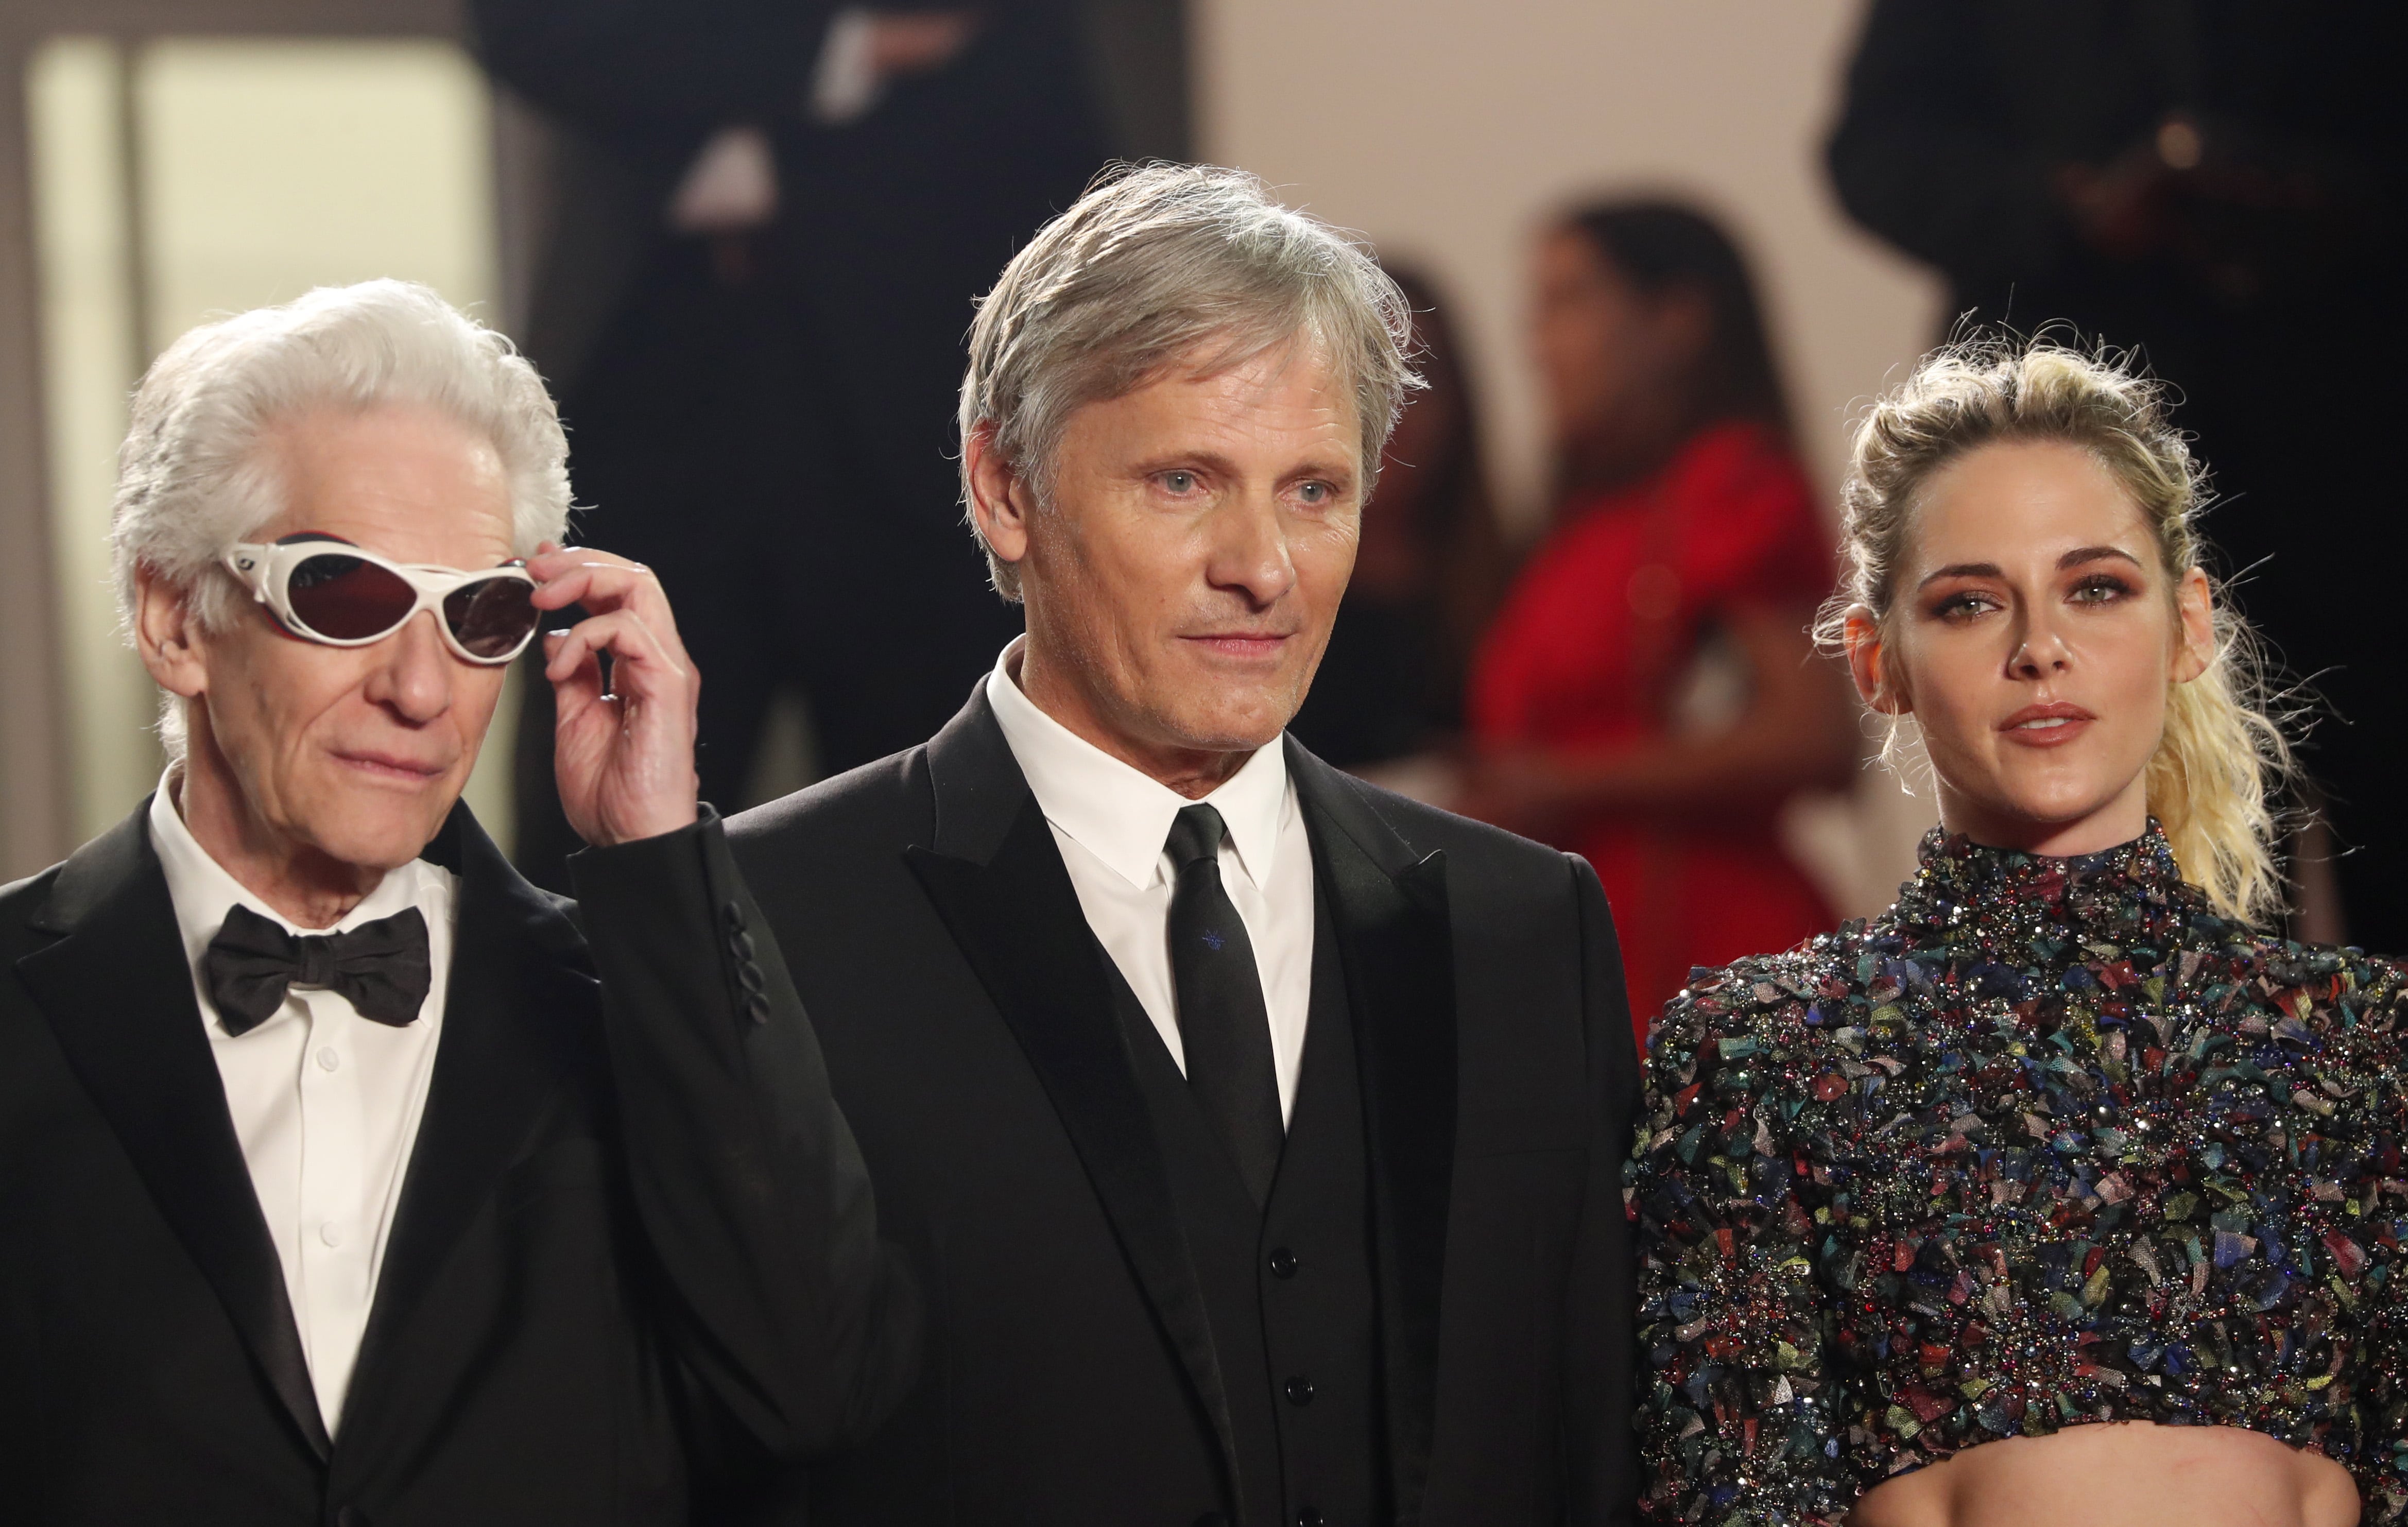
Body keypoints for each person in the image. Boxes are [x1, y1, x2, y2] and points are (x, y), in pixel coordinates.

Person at [727, 164, 1643, 1526]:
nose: (1261, 565)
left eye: (1315, 490)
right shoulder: (774, 913)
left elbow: (1592, 1441)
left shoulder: (1523, 925)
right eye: (1183, 480)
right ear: (1002, 488)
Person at [0, 281, 917, 1523]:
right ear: (176, 618)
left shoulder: (643, 1005)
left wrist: (656, 856)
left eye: (478, 615)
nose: (425, 692)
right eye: (346, 593)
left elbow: (817, 1393)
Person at [1631, 339, 2406, 1526]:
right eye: (1969, 602)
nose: (2041, 645)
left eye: (2097, 586)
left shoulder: (2358, 1046)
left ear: (2189, 623)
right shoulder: (1764, 1055)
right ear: (1877, 659)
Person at [469, 0, 1109, 888]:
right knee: (593, 802)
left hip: (918, 369)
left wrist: (714, 46)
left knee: (942, 823)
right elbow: (537, 30)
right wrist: (839, 51)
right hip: (656, 346)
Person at [1826, 0, 2408, 951]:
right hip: (2076, 419)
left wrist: (2331, 199)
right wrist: (2068, 207)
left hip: (2361, 446)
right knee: (2123, 910)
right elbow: (1878, 149)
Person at [1461, 201, 1855, 1038]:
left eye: (1569, 302)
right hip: (1586, 963)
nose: (1538, 343)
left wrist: (1563, 783)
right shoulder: (1584, 525)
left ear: (1677, 320)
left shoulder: (1727, 487)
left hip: (1718, 964)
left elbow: (1815, 734)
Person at [1287, 265, 1507, 770]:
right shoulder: (1261, 582)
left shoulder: (1513, 584)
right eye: (1361, 382)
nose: (1391, 414)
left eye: (1417, 383)